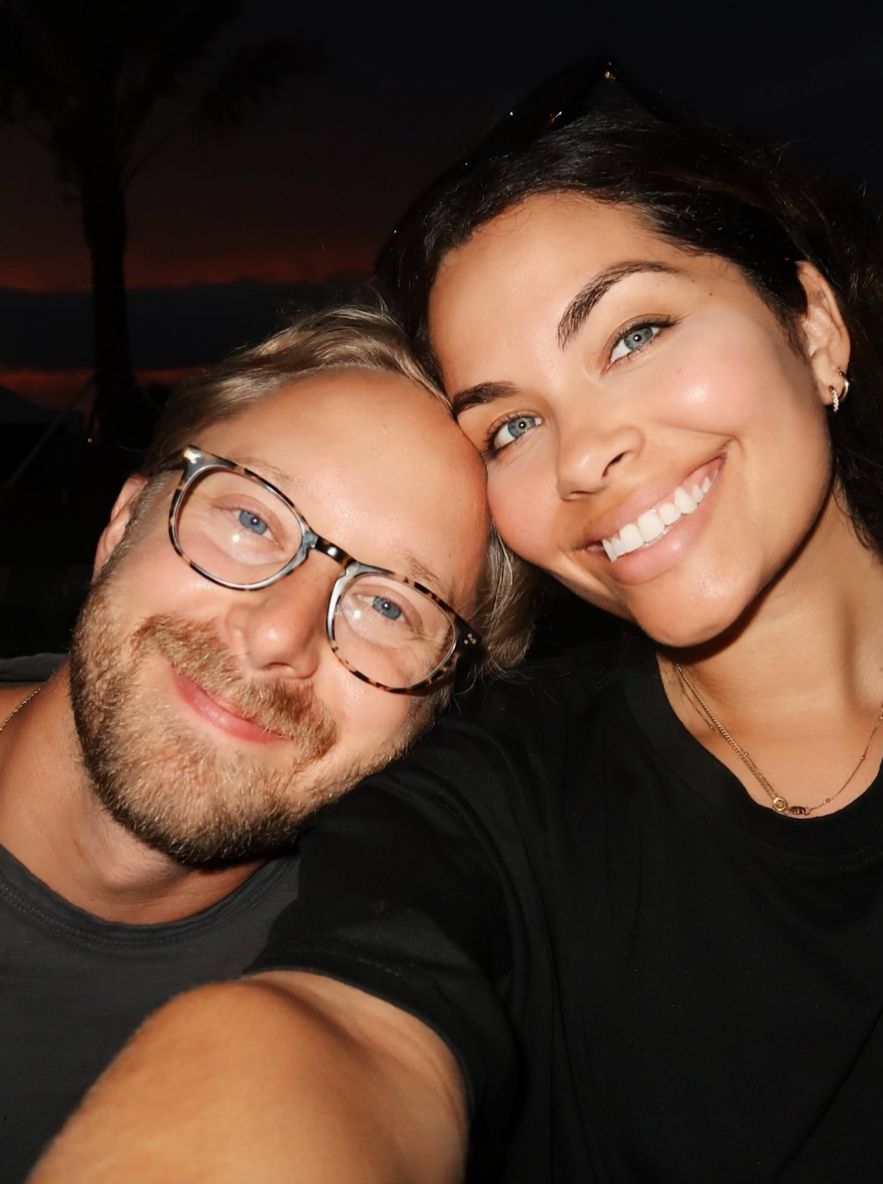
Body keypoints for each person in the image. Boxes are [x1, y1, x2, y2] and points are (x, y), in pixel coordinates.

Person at [30, 75, 883, 1183]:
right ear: (123, 514)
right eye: (512, 420)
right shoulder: (501, 797)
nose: (579, 454)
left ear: (810, 325)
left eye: (633, 332)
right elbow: (343, 1027)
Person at [0, 303, 530, 1184]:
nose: (281, 635)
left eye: (390, 606)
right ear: (121, 523)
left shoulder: (387, 947)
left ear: (437, 702)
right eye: (251, 520)